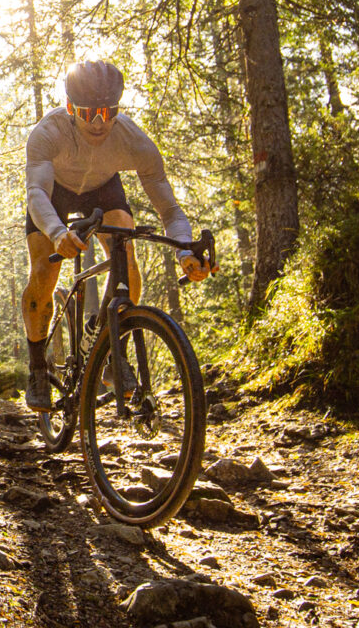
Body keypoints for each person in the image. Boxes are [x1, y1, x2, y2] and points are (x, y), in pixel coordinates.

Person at [22, 59, 216, 412]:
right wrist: (56, 232)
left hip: (103, 189)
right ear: (70, 108)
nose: (99, 122)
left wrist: (185, 251)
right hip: (54, 195)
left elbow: (170, 210)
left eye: (108, 111)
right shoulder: (48, 133)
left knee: (127, 260)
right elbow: (36, 193)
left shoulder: (132, 140)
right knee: (44, 273)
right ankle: (37, 367)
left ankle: (113, 350)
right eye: (88, 112)